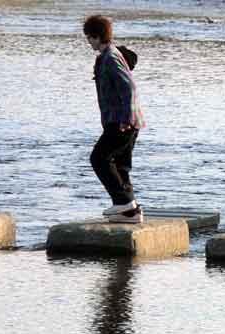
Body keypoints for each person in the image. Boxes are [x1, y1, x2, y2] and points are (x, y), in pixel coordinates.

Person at [83, 15, 145, 223]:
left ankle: (123, 202)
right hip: (126, 120)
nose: (88, 42)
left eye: (89, 37)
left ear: (97, 36)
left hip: (122, 121)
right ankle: (131, 212)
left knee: (98, 158)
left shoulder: (110, 58)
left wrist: (126, 119)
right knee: (120, 165)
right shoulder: (108, 56)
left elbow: (129, 88)